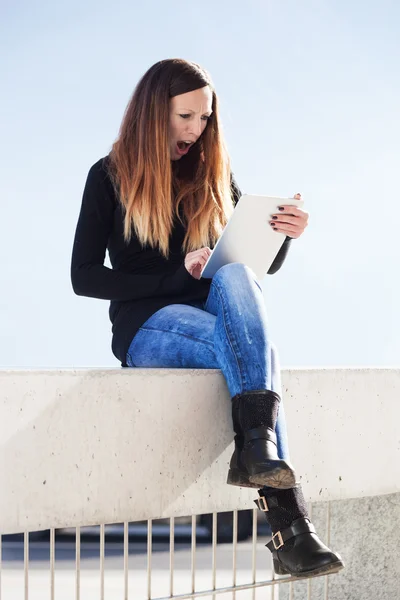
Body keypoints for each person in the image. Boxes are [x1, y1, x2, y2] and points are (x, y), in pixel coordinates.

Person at [71, 58, 344, 578]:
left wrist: (283, 233)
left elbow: (251, 256)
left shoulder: (215, 174)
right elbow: (84, 276)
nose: (196, 130)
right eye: (185, 117)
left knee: (238, 277)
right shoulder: (108, 175)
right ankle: (292, 529)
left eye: (205, 119)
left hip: (214, 318)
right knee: (260, 355)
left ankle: (256, 446)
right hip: (148, 326)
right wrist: (177, 276)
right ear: (155, 113)